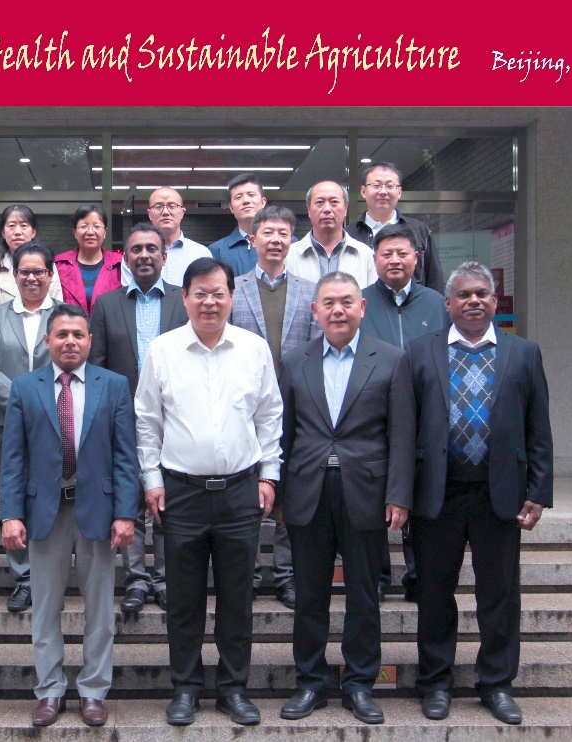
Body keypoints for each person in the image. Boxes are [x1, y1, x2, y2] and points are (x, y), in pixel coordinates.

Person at [134, 257, 282, 727]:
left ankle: (234, 689)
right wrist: (152, 479)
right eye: (200, 293)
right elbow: (147, 420)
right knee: (184, 598)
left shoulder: (254, 349)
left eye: (218, 293)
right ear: (184, 297)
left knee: (238, 597)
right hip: (182, 493)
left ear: (232, 296)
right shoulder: (162, 350)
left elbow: (269, 416)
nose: (209, 302)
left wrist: (268, 476)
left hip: (240, 491)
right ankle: (185, 687)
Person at [406, 261, 553, 725]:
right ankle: (435, 683)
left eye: (482, 294)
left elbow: (539, 428)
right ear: (448, 304)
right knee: (434, 593)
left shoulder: (523, 353)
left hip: (499, 496)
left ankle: (497, 683)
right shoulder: (420, 353)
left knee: (499, 595)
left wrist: (539, 490)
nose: (473, 301)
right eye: (464, 295)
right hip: (438, 496)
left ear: (494, 302)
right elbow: (404, 429)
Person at [276, 271, 415, 725]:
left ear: (362, 307)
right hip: (308, 492)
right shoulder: (294, 361)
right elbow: (283, 433)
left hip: (368, 493)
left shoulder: (391, 360)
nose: (338, 310)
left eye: (347, 302)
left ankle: (359, 684)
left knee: (364, 597)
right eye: (329, 303)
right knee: (309, 596)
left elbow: (402, 434)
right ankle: (310, 683)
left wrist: (399, 494)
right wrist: (278, 491)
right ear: (314, 311)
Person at [0, 303, 139, 728]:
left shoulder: (113, 385)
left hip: (97, 510)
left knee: (99, 609)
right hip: (45, 511)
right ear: (47, 340)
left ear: (90, 340)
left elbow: (125, 456)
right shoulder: (25, 387)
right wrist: (10, 514)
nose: (70, 342)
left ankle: (93, 690)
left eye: (78, 334)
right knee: (45, 608)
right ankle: (50, 689)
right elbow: (12, 458)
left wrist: (126, 513)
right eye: (62, 334)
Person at [88, 224, 189, 614]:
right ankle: (135, 579)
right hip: (123, 419)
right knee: (128, 498)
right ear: (125, 259)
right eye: (136, 250)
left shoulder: (183, 300)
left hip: (176, 418)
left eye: (151, 248)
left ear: (164, 256)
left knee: (167, 499)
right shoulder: (106, 305)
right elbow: (97, 368)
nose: (144, 255)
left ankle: (163, 578)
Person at [228, 204, 319, 611]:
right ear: (253, 239)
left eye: (284, 233)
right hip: (244, 406)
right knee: (246, 489)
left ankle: (286, 574)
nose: (276, 240)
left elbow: (315, 350)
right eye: (268, 233)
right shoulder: (234, 289)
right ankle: (246, 573)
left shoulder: (310, 291)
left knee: (291, 492)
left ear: (292, 241)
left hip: (298, 405)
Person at [360, 222, 448, 602]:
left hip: (427, 415)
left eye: (402, 253)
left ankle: (418, 575)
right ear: (375, 259)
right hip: (374, 416)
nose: (394, 260)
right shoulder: (361, 302)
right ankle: (378, 576)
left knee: (421, 496)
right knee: (374, 500)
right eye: (386, 254)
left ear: (417, 257)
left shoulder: (437, 303)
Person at [0, 241, 61, 613]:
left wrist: (40, 400)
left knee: (50, 495)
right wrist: (23, 398)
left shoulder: (64, 315)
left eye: (38, 271)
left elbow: (71, 362)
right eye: (24, 271)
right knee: (10, 497)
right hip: (5, 421)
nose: (31, 278)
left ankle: (51, 575)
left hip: (55, 421)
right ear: (14, 276)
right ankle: (24, 578)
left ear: (50, 275)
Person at [349, 162, 445, 293]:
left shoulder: (419, 231)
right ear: (363, 191)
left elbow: (435, 280)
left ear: (399, 192)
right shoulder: (349, 235)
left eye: (390, 186)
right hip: (363, 305)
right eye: (376, 186)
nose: (383, 192)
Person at [286, 181, 377, 290]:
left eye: (334, 202)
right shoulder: (289, 256)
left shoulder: (366, 255)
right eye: (320, 202)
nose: (327, 209)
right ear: (309, 210)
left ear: (345, 209)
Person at [0, 204, 63, 310]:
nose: (17, 232)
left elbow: (56, 307)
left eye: (24, 225)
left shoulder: (47, 265)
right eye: (11, 225)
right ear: (3, 233)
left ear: (33, 232)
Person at [122, 188, 211, 287]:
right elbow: (132, 293)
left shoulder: (201, 254)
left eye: (172, 206)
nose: (165, 212)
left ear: (182, 212)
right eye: (158, 207)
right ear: (149, 214)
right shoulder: (133, 256)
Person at [55, 204, 124, 316]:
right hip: (70, 326)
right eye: (84, 226)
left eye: (97, 226)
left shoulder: (121, 264)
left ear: (105, 232)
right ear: (75, 232)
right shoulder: (58, 265)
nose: (90, 232)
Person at [208, 174, 267, 278]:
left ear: (263, 202)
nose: (246, 201)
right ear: (231, 208)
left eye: (251, 195)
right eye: (238, 197)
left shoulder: (288, 243)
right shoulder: (216, 250)